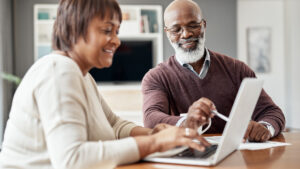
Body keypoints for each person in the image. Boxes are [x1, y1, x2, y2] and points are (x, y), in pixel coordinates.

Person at [0, 0, 211, 169]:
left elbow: (115, 126)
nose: (117, 41)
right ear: (75, 29)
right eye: (107, 30)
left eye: (117, 31)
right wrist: (156, 143)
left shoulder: (82, 75)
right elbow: (72, 160)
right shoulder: (59, 71)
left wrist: (153, 133)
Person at [142, 0, 285, 142]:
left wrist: (265, 127)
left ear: (203, 25)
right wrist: (187, 123)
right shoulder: (156, 77)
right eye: (176, 29)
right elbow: (151, 118)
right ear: (167, 33)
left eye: (193, 25)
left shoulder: (237, 69)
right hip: (188, 156)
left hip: (234, 156)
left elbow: (272, 112)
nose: (185, 34)